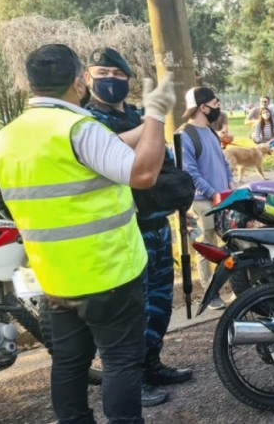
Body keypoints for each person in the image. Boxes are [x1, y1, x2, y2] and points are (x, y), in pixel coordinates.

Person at [0, 44, 173, 424]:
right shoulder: (79, 128)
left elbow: (78, 168)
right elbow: (142, 174)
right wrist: (156, 114)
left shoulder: (4, 139)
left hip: (56, 277)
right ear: (78, 82)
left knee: (69, 363)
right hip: (109, 271)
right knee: (122, 362)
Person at [83, 47, 193, 407]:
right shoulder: (87, 123)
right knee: (133, 312)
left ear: (128, 81)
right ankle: (132, 380)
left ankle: (152, 364)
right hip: (123, 231)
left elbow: (162, 164)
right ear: (87, 78)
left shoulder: (136, 114)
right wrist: (152, 122)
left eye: (118, 76)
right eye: (102, 73)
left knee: (160, 303)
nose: (110, 81)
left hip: (156, 224)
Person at [180, 86, 236, 309]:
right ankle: (210, 293)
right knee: (206, 246)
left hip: (223, 199)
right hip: (203, 201)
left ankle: (232, 288)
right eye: (215, 103)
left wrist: (230, 183)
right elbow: (190, 172)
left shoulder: (211, 132)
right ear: (202, 107)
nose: (218, 106)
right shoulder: (186, 134)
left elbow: (222, 161)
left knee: (228, 243)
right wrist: (213, 193)